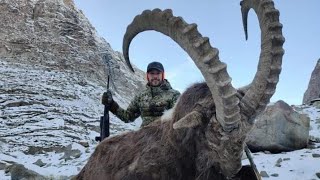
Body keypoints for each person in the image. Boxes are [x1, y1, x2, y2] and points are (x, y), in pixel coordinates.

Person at [102, 61, 180, 127]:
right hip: (143, 138)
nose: (155, 76)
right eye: (152, 73)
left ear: (162, 75)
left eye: (158, 73)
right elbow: (128, 117)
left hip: (166, 138)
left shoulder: (174, 95)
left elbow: (178, 118)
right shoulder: (140, 97)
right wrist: (112, 104)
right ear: (147, 76)